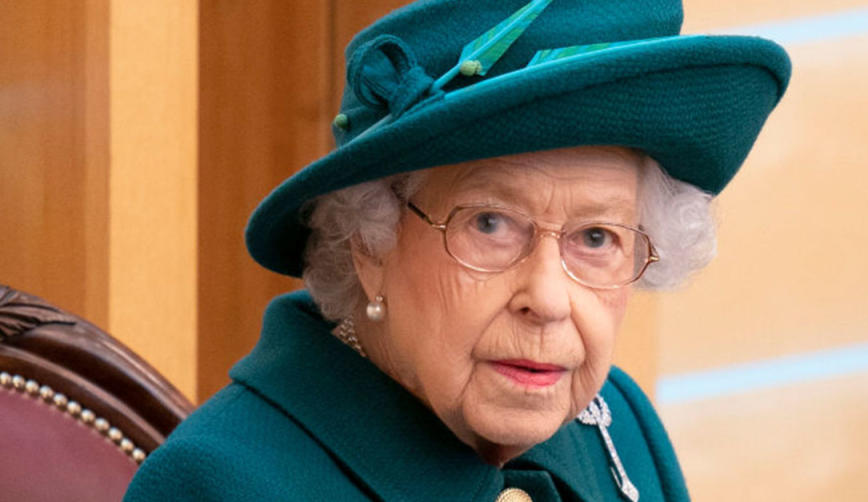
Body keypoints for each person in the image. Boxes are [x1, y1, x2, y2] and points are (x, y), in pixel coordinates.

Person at [125, 0, 790, 500]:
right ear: (370, 241)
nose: (549, 300)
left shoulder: (616, 426)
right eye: (491, 225)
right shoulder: (224, 484)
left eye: (597, 238)